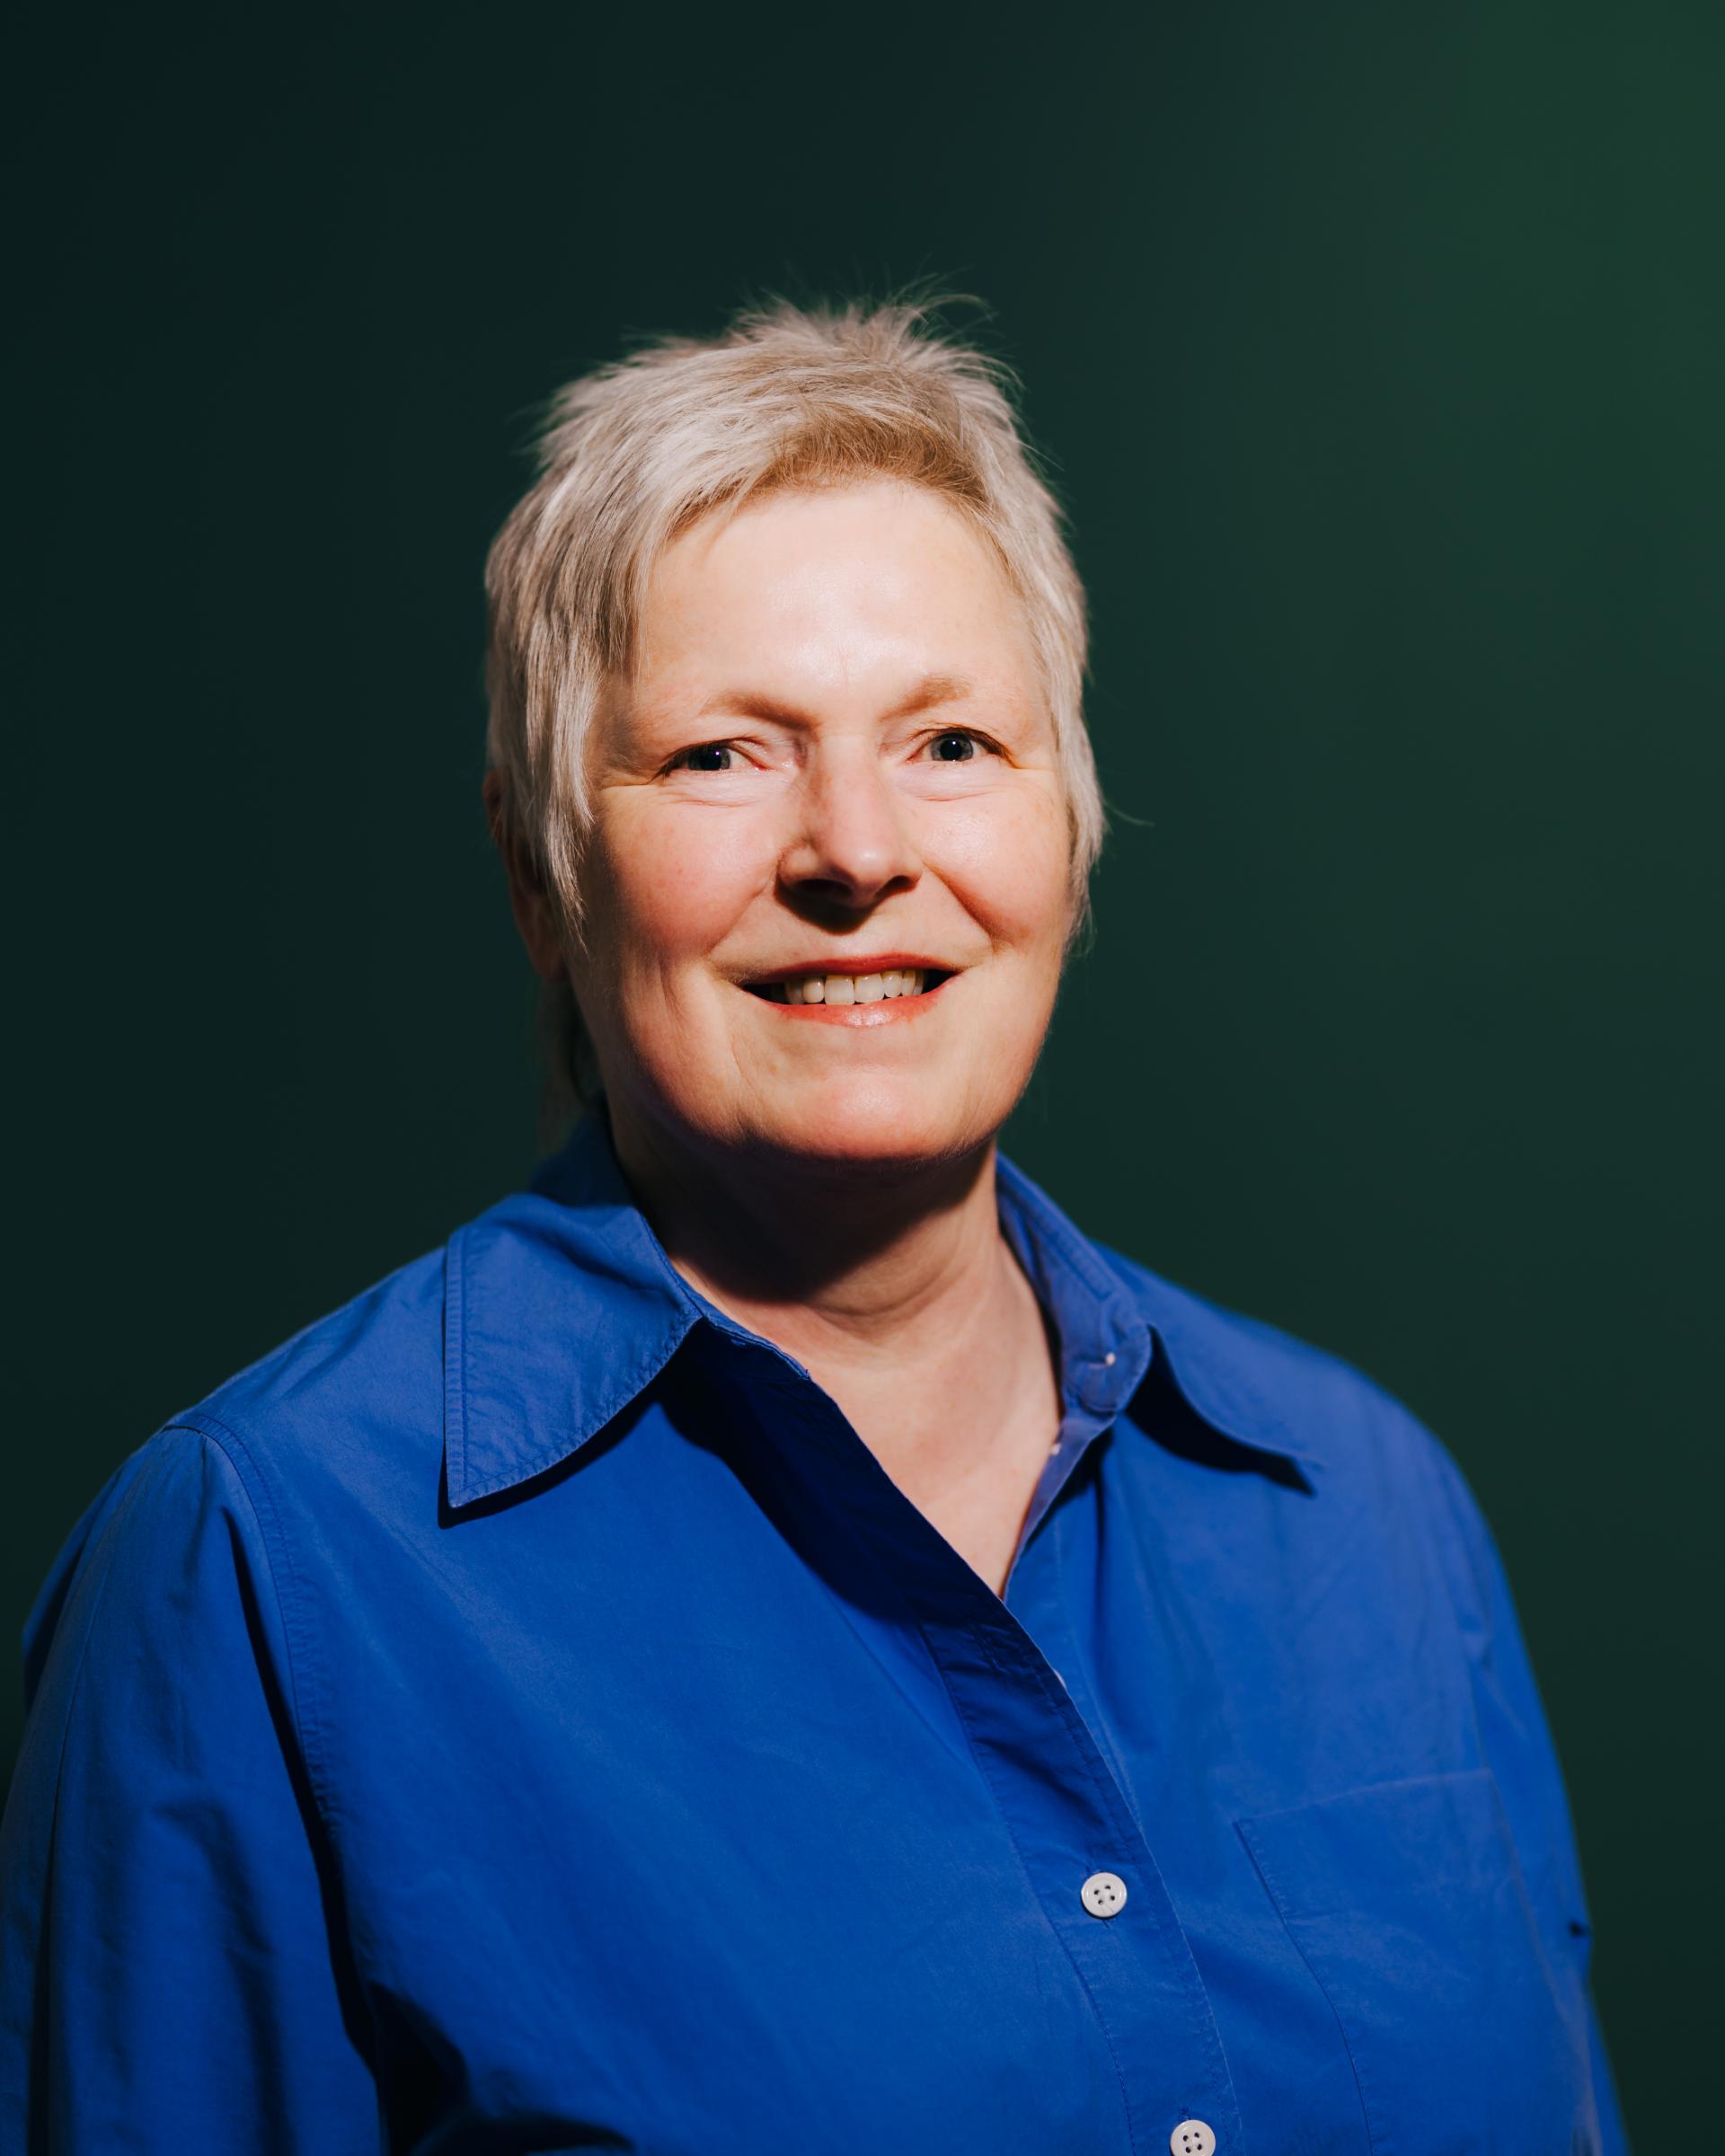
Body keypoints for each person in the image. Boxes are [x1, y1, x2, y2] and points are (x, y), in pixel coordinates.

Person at [0, 299, 1626, 2155]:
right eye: (722, 755)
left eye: (953, 742)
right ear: (541, 872)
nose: (856, 849)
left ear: (1069, 832)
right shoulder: (261, 1564)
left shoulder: (1368, 1507)